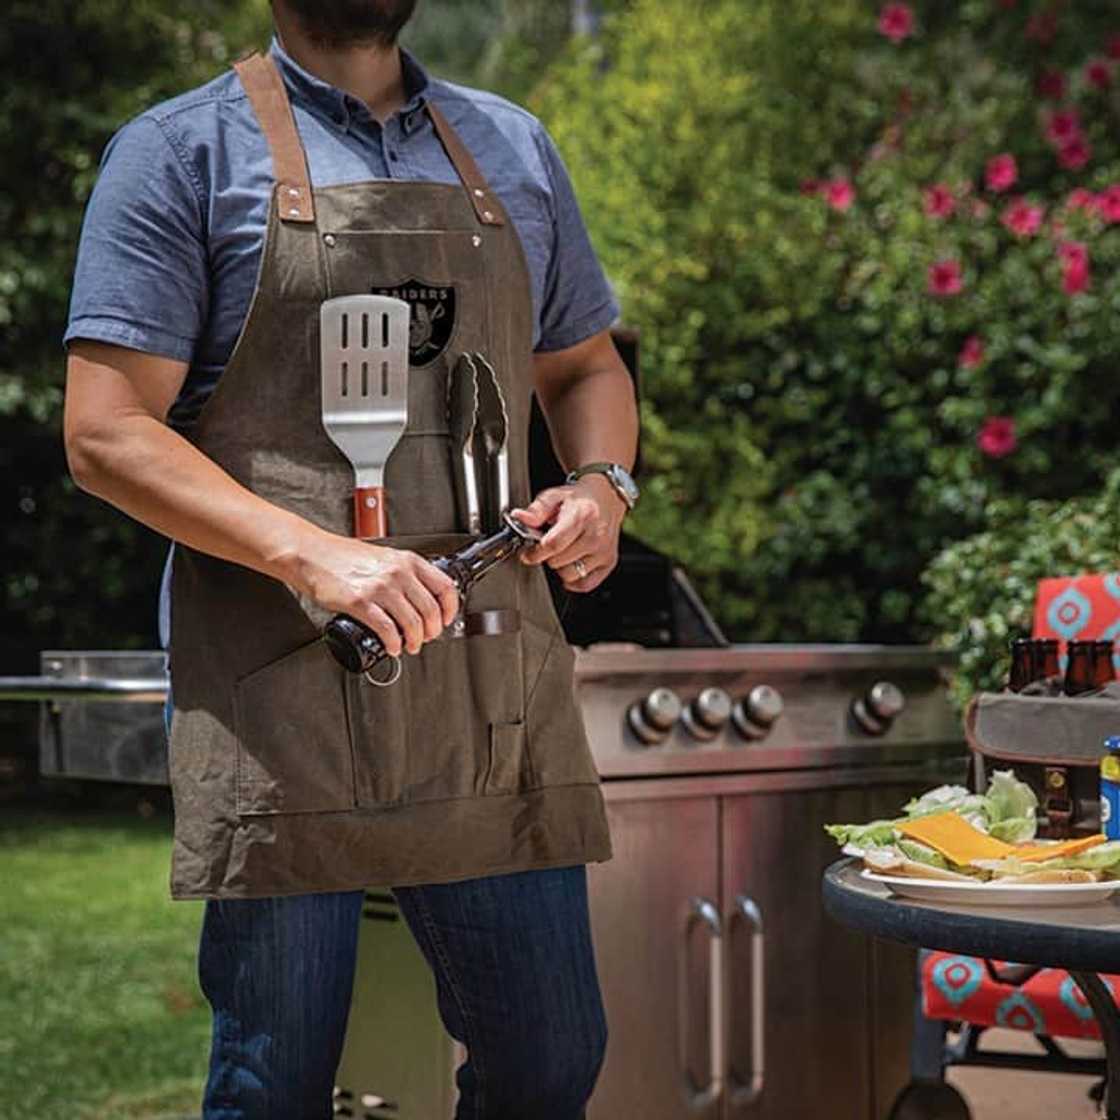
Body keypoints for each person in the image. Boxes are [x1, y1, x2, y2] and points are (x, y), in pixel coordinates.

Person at [62, 1, 640, 1116]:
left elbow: (584, 368)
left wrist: (601, 484)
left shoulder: (512, 146)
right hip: (283, 687)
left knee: (550, 1060)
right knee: (274, 1081)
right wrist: (315, 555)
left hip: (488, 684)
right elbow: (105, 433)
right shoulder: (180, 151)